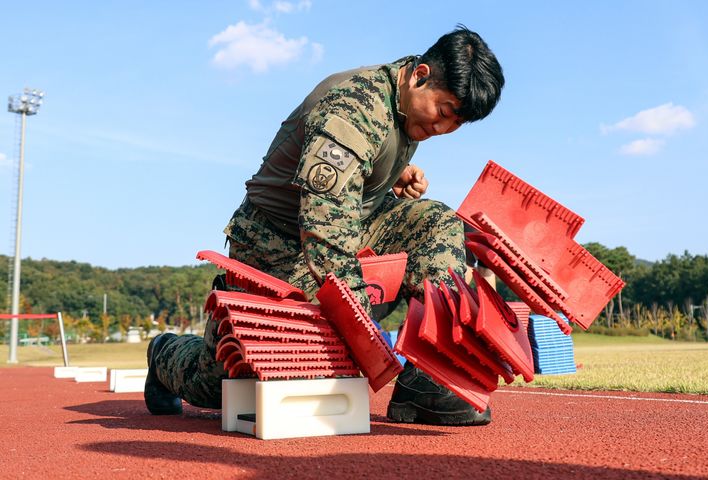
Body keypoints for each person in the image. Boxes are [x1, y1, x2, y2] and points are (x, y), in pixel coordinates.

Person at [145, 25, 505, 426]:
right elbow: (324, 225)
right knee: (228, 381)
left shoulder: (404, 102)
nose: (442, 129)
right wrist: (362, 331)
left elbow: (356, 167)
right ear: (419, 75)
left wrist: (393, 172)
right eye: (442, 112)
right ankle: (164, 354)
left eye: (455, 123)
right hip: (278, 246)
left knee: (437, 225)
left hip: (351, 226)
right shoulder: (353, 107)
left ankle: (429, 382)